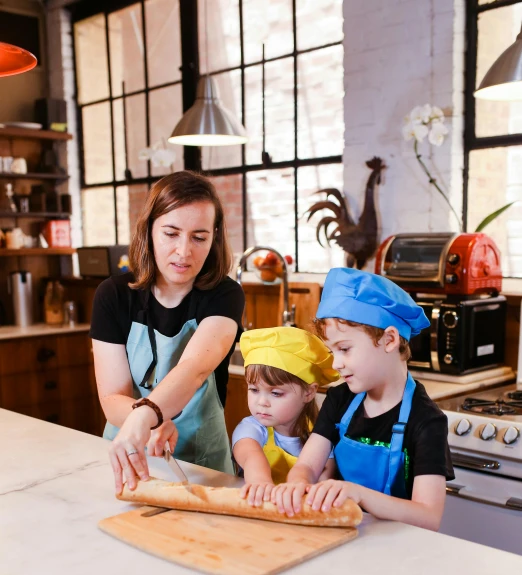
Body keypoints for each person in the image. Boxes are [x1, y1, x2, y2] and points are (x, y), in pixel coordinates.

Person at [90, 171, 245, 493]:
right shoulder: (113, 295)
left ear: (214, 237)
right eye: (171, 233)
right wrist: (148, 422)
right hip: (127, 454)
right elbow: (111, 396)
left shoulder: (224, 294)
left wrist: (146, 415)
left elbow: (194, 368)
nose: (184, 251)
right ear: (149, 231)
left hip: (204, 465)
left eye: (199, 237)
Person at [271, 268, 454, 531]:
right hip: (344, 534)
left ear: (389, 339)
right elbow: (308, 466)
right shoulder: (339, 400)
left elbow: (428, 516)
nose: (336, 364)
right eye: (332, 351)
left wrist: (358, 494)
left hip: (401, 548)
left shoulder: (426, 421)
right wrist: (298, 482)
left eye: (344, 349)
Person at [232, 326, 339, 507]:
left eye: (275, 393)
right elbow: (251, 457)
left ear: (309, 392)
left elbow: (324, 477)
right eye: (254, 390)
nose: (262, 402)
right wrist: (261, 483)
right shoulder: (251, 428)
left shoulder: (321, 433)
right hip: (260, 506)